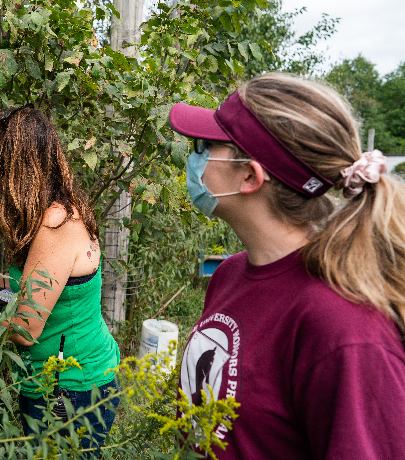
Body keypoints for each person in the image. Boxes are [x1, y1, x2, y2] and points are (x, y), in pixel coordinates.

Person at [168, 73, 405, 459]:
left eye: (205, 145)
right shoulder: (229, 276)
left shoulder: (346, 330)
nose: (194, 157)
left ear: (249, 176)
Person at [0, 104, 121, 451]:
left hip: (69, 388)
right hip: (66, 381)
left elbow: (25, 329)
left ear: (14, 165)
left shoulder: (55, 226)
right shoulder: (60, 209)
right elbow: (58, 286)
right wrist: (4, 281)